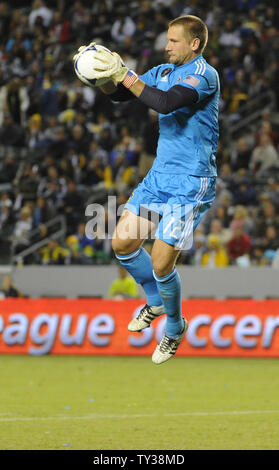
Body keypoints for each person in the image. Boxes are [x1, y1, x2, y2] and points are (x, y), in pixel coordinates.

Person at [77, 15, 220, 364]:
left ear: (194, 43)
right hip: (160, 177)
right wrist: (103, 75)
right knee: (122, 243)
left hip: (191, 181)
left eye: (173, 41)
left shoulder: (204, 75)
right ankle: (155, 301)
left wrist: (124, 74)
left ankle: (173, 328)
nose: (166, 46)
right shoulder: (162, 71)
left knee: (160, 261)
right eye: (166, 40)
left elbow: (167, 103)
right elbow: (120, 97)